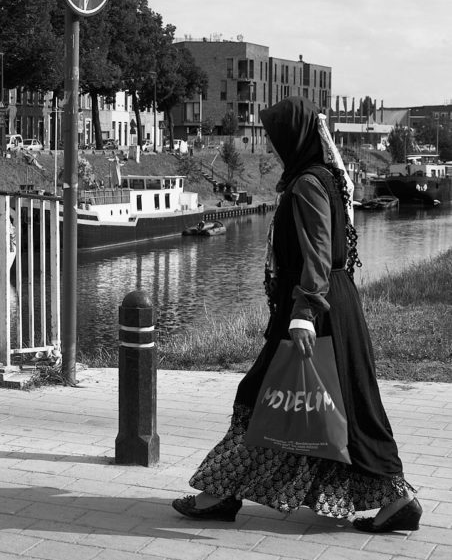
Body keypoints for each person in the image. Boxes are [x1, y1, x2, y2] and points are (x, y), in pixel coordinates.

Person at [172, 96, 421, 533]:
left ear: (293, 138)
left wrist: (304, 312)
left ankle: (218, 496)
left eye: (274, 138)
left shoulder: (307, 184)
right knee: (345, 405)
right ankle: (395, 499)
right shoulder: (322, 177)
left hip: (315, 309)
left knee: (262, 397)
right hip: (333, 306)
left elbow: (319, 251)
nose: (270, 146)